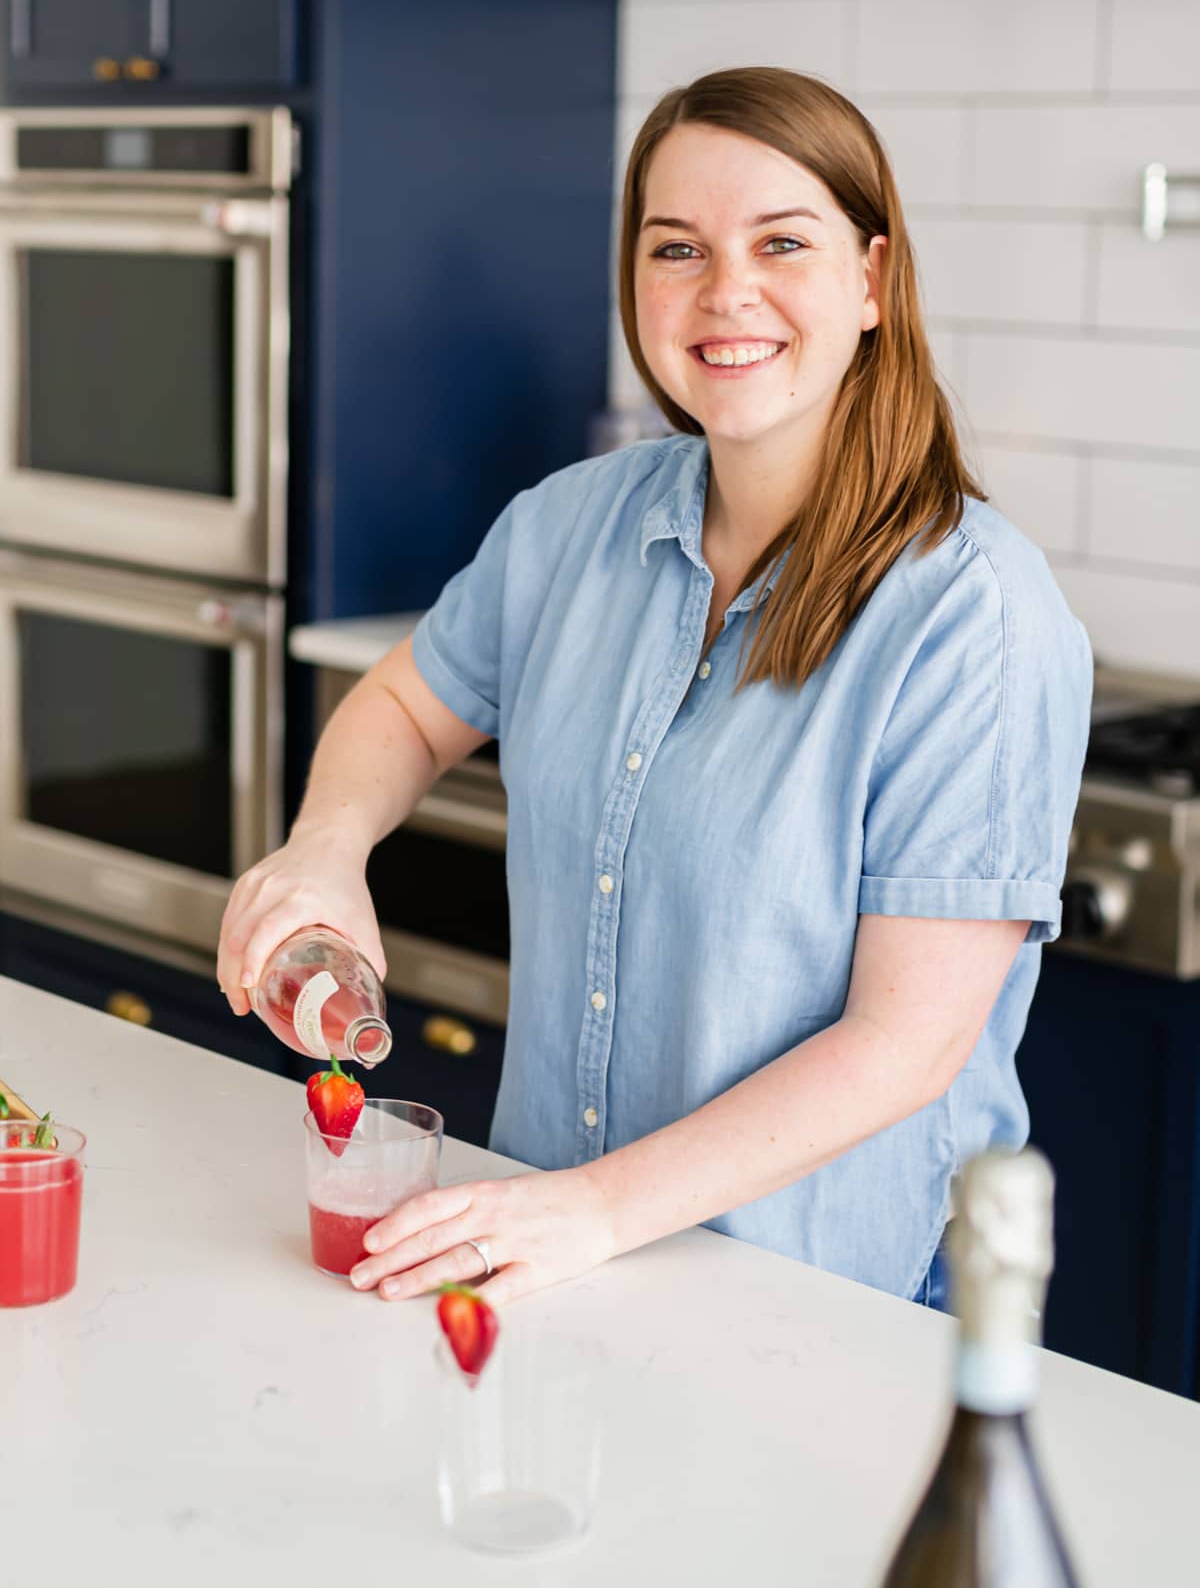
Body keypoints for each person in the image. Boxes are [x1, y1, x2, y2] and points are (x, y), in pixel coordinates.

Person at [217, 67, 1091, 1312]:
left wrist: (593, 1210)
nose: (725, 289)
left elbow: (906, 1043)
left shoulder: (976, 616)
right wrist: (326, 847)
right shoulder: (573, 524)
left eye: (781, 242)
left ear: (872, 282)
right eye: (677, 247)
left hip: (819, 1306)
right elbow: (408, 705)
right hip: (553, 1256)